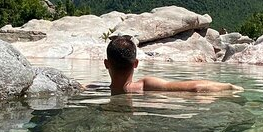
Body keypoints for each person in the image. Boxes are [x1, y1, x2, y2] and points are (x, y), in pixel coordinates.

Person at [104, 35, 243, 95]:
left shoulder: (96, 88)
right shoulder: (145, 86)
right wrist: (229, 86)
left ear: (106, 64)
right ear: (135, 64)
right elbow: (196, 87)